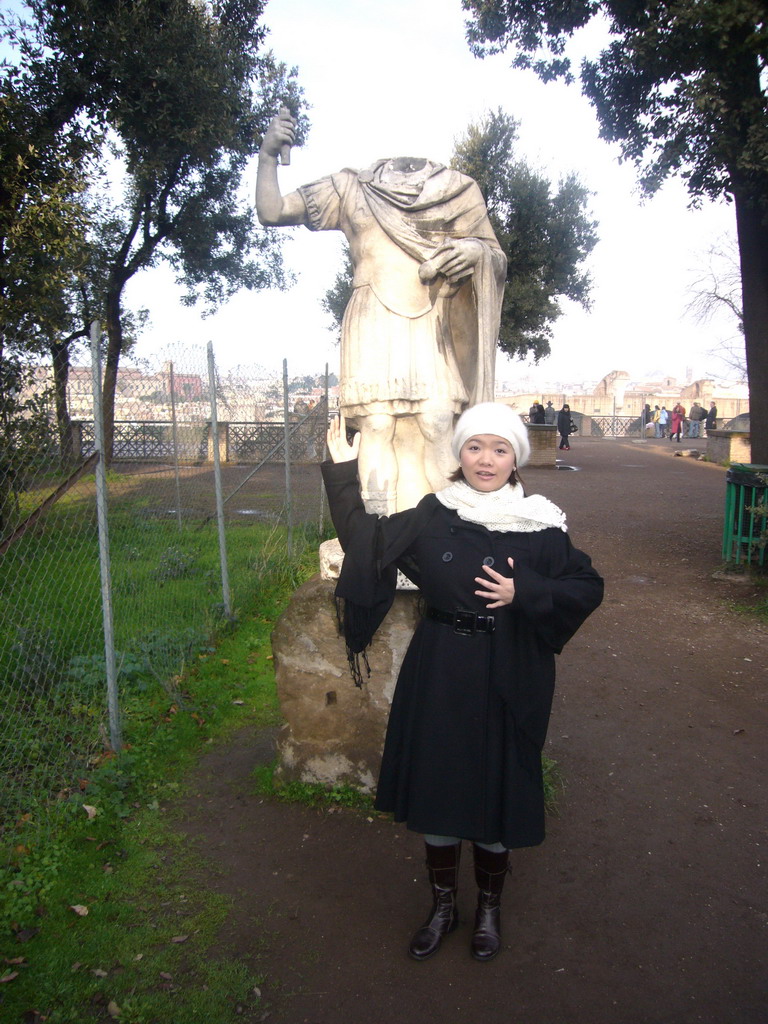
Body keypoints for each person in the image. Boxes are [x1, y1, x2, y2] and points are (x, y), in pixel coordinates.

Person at [322, 402, 603, 962]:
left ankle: (490, 910)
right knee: (441, 787)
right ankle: (444, 906)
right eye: (476, 446)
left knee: (498, 787)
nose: (486, 459)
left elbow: (587, 587)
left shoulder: (541, 525)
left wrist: (526, 595)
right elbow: (366, 542)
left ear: (516, 459)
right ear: (461, 454)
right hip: (443, 668)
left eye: (500, 449)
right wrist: (341, 473)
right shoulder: (436, 512)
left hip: (511, 671)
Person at [256, 112, 507, 514]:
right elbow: (272, 211)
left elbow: (493, 255)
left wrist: (474, 252)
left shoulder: (459, 190)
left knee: (440, 423)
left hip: (433, 318)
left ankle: (456, 531)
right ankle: (377, 537)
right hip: (371, 316)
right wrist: (268, 156)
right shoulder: (351, 186)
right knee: (376, 426)